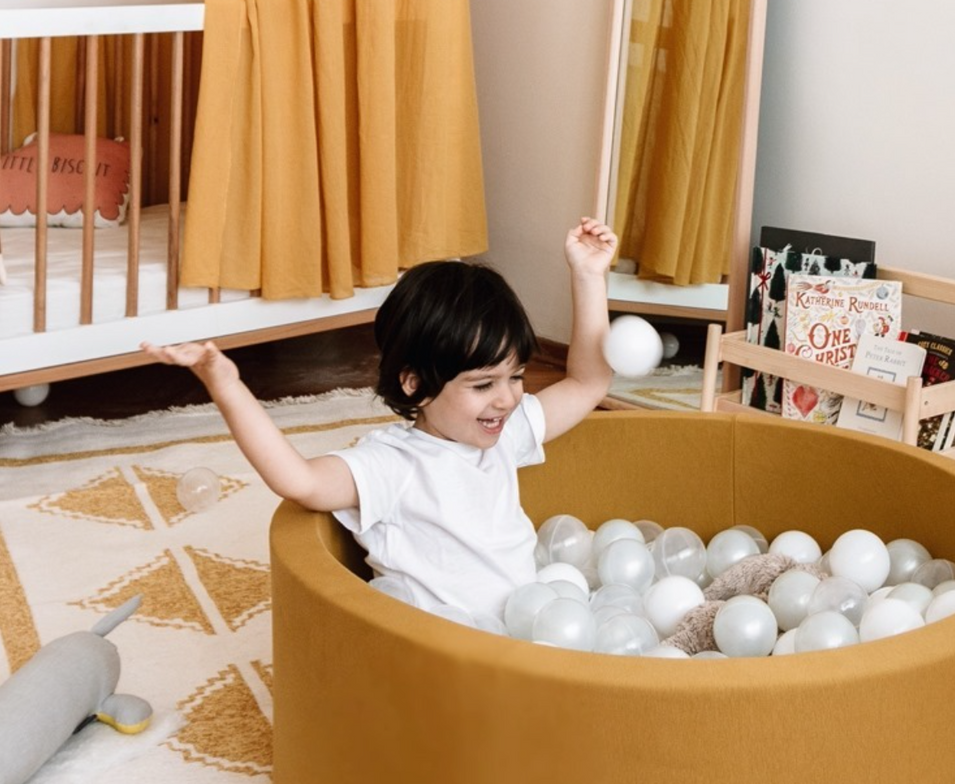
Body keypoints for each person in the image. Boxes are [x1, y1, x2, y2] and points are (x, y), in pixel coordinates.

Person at [143, 218, 618, 628]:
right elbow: (299, 479)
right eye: (482, 385)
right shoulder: (394, 466)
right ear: (414, 384)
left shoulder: (504, 436)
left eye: (516, 377)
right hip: (451, 662)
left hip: (528, 633)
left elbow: (588, 383)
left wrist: (588, 275)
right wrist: (225, 383)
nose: (508, 398)